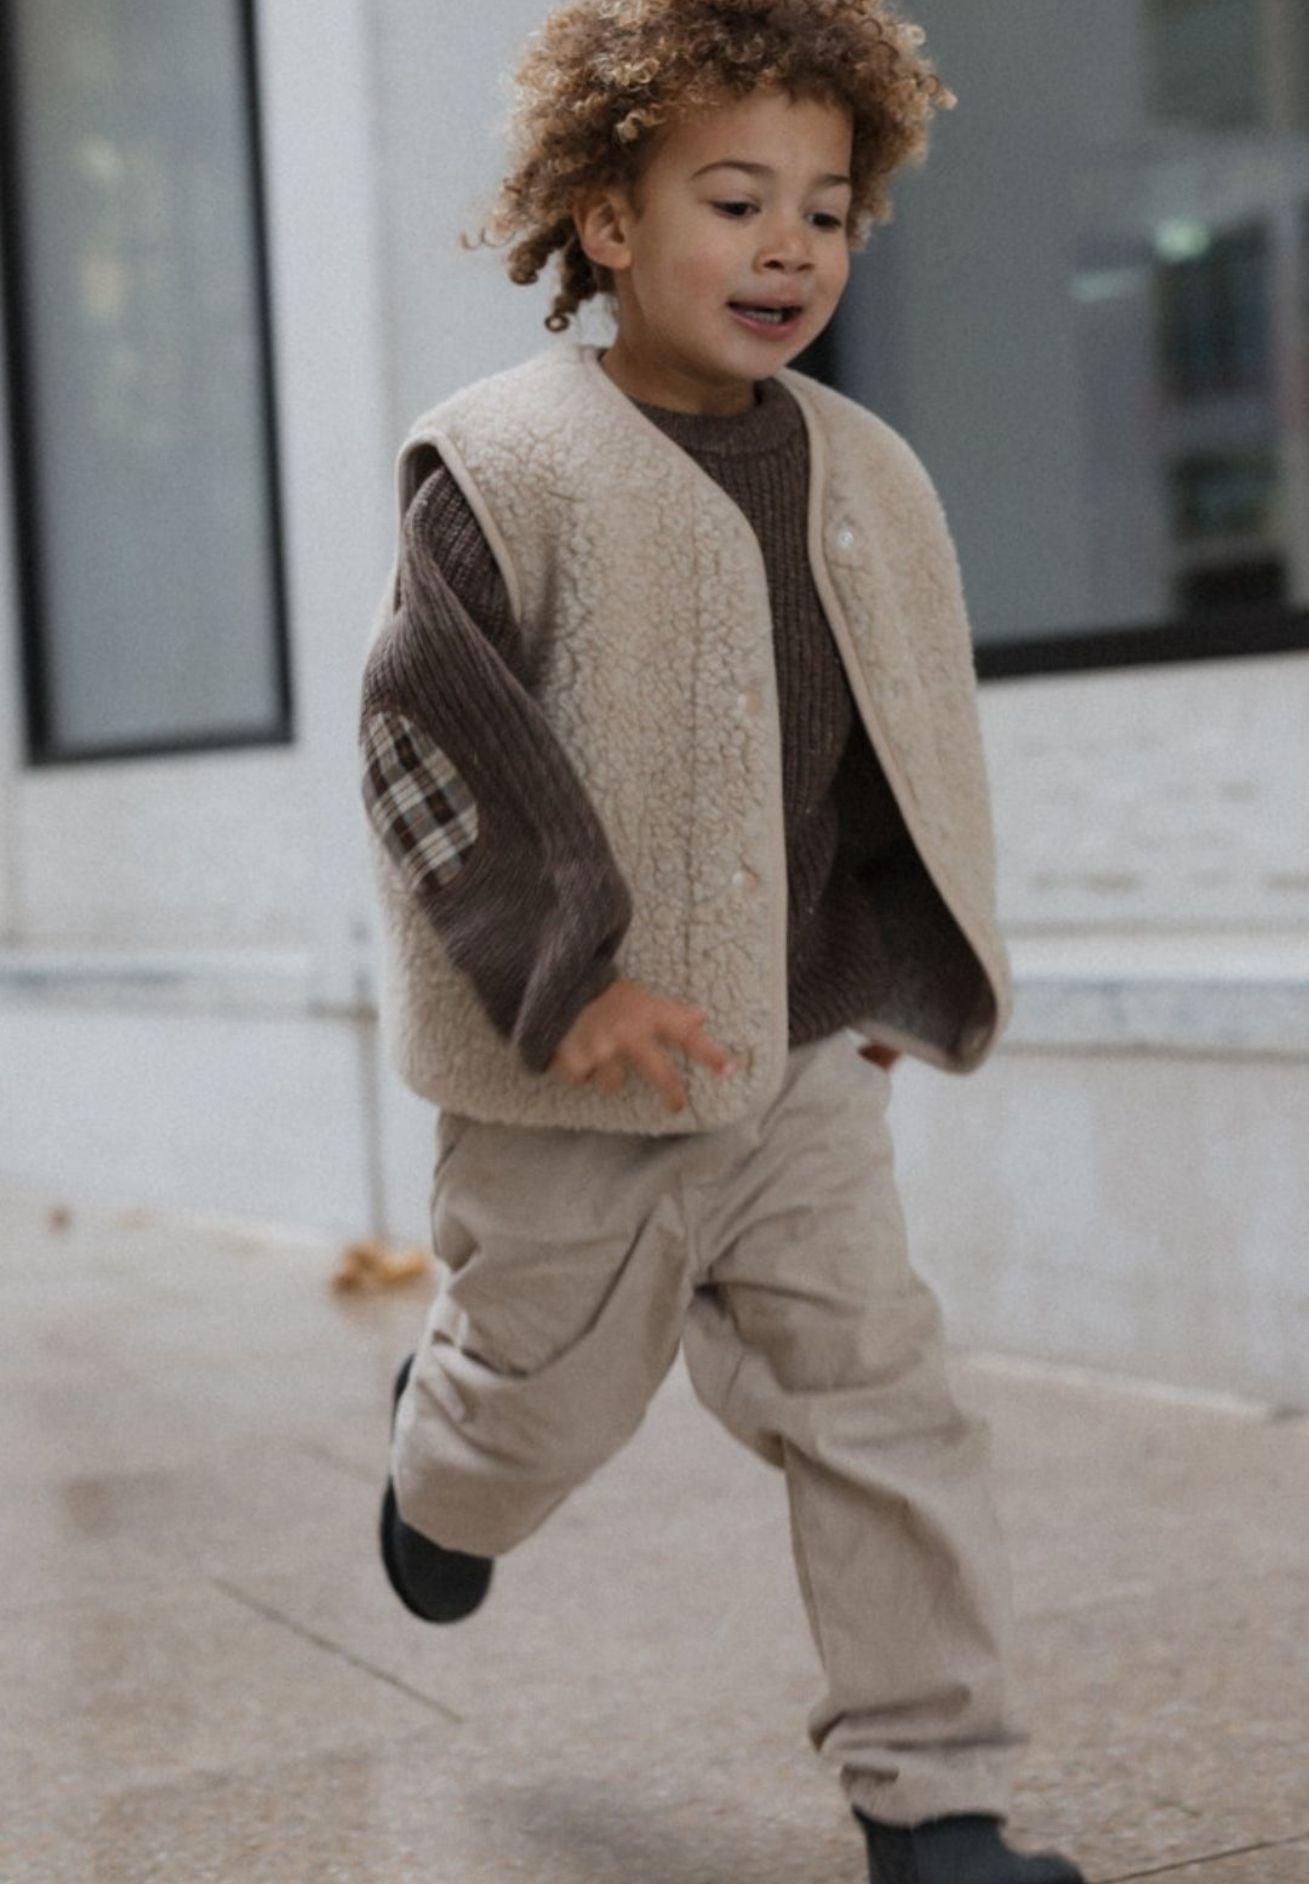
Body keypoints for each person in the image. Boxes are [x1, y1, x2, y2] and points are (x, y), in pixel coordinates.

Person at [358, 3, 1082, 1879]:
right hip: (568, 1092)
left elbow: (887, 736)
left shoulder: (868, 472)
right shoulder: (506, 465)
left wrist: (891, 959)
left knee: (882, 1409)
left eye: (825, 212)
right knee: (538, 1419)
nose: (788, 249)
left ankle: (937, 1805)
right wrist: (570, 976)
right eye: (735, 200)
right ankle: (442, 1457)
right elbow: (432, 742)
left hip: (795, 1078)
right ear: (606, 219)